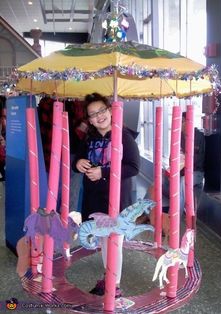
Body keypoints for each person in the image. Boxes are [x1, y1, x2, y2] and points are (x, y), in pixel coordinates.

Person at [72, 92, 140, 297]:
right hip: (95, 198)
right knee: (104, 240)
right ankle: (108, 277)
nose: (98, 116)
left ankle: (114, 285)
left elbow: (134, 167)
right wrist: (78, 163)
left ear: (110, 110)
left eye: (101, 110)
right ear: (89, 120)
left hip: (117, 198)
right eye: (92, 114)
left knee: (114, 240)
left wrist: (104, 171)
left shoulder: (124, 136)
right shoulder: (89, 138)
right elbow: (79, 159)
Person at [181, 112, 205, 211]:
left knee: (183, 181)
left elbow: (199, 159)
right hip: (182, 171)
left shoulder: (199, 136)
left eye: (182, 121)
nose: (181, 124)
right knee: (158, 183)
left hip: (196, 173)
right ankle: (144, 213)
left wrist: (184, 159)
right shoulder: (180, 136)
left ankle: (176, 215)